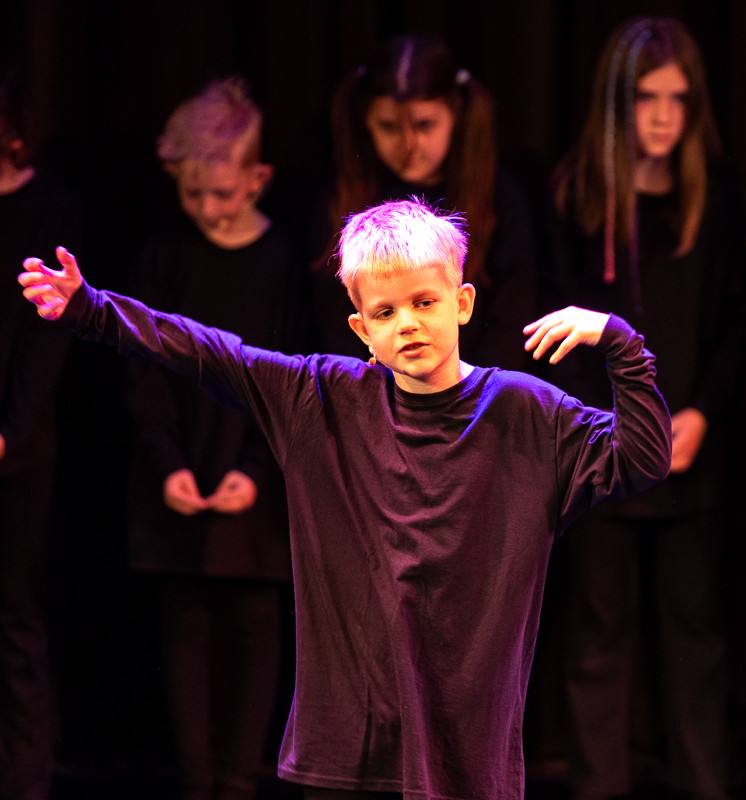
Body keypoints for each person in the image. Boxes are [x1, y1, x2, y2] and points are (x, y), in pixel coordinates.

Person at [18, 198, 671, 800]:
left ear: (462, 302)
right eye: (385, 313)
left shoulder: (525, 412)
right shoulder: (322, 400)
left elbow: (643, 458)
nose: (407, 324)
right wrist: (92, 309)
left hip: (465, 757)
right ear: (360, 327)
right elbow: (210, 353)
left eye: (424, 302)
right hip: (346, 755)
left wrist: (619, 342)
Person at [543, 17, 746, 800]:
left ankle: (704, 785)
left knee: (696, 632)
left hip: (690, 448)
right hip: (602, 453)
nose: (663, 117)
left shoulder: (715, 200)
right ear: (617, 103)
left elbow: (735, 325)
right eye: (646, 99)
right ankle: (597, 786)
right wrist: (613, 429)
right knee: (598, 631)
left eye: (678, 99)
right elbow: (553, 332)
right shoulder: (576, 197)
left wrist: (700, 414)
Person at [124, 78, 301, 800]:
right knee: (186, 617)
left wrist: (256, 470)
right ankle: (198, 780)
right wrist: (167, 462)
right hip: (180, 460)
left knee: (256, 618)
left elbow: (291, 373)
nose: (206, 208)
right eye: (192, 193)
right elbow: (142, 369)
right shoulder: (165, 256)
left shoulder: (281, 261)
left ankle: (238, 779)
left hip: (255, 467)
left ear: (258, 178)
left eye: (222, 193)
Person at [311, 34, 536, 370]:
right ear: (367, 120)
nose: (409, 145)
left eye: (425, 125)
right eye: (389, 127)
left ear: (455, 112)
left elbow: (511, 317)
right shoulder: (342, 199)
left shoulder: (499, 196)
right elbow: (334, 319)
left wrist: (475, 392)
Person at [0, 69, 82, 800]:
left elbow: (44, 339)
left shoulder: (49, 208)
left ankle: (26, 780)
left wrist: (11, 434)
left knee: (13, 615)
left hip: (16, 450)